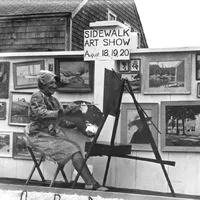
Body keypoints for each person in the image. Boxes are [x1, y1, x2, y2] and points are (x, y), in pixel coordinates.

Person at [24, 70, 108, 191]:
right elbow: (41, 114)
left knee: (75, 148)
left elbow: (61, 121)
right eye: (51, 83)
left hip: (50, 134)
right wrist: (64, 111)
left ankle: (90, 183)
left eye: (55, 83)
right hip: (37, 134)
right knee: (73, 150)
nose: (54, 86)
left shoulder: (54, 100)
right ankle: (91, 183)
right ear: (43, 84)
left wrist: (81, 125)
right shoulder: (37, 96)